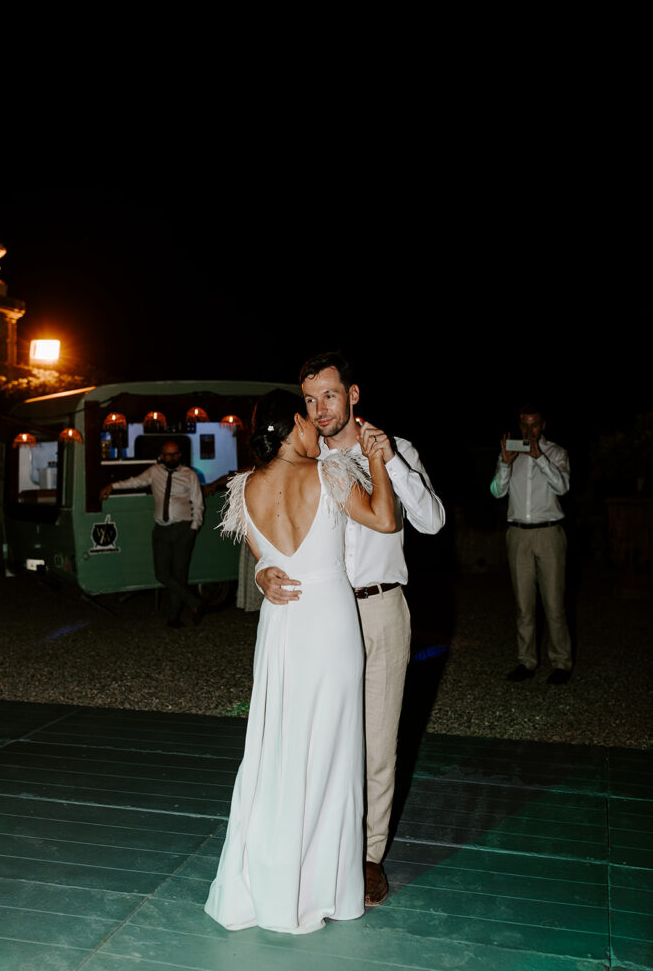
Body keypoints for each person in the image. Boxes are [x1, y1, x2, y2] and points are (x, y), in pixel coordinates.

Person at [256, 353, 445, 907]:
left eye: (330, 396)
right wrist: (265, 571)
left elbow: (432, 521)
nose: (320, 410)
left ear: (353, 395)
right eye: (310, 400)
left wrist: (392, 463)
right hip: (321, 615)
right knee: (320, 736)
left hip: (380, 607)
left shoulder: (396, 450)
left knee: (377, 741)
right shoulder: (304, 462)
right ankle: (318, 847)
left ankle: (367, 858)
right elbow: (273, 524)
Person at [205, 389, 396, 934]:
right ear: (295, 421)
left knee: (278, 748)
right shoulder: (330, 472)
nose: (318, 426)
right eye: (309, 417)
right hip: (330, 625)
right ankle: (321, 888)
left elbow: (263, 557)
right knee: (333, 752)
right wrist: (377, 461)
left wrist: (263, 571)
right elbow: (385, 519)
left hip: (281, 626)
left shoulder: (246, 488)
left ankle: (269, 883)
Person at [490, 405, 572, 684]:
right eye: (524, 424)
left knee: (554, 603)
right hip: (518, 535)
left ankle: (561, 662)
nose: (529, 430)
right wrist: (504, 463)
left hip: (549, 534)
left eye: (534, 424)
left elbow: (563, 487)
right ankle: (526, 661)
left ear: (543, 425)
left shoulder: (557, 453)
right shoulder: (510, 452)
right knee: (523, 605)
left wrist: (539, 458)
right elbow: (496, 491)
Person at [99, 440, 205, 628]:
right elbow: (135, 481)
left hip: (183, 528)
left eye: (175, 454)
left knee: (179, 574)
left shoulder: (190, 474)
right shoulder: (155, 471)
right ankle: (195, 602)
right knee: (162, 573)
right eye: (168, 455)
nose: (171, 458)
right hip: (162, 529)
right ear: (161, 456)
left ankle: (174, 618)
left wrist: (194, 528)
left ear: (180, 454)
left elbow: (198, 503)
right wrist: (112, 486)